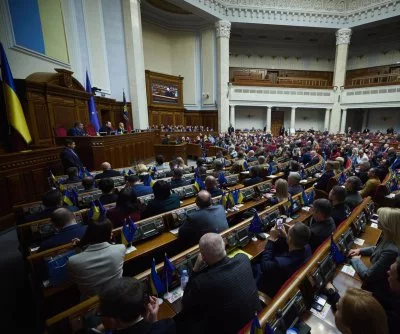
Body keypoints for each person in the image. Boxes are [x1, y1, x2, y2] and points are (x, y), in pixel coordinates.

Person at [177, 233, 261, 333]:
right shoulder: (243, 259)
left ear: (203, 257)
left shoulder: (201, 282)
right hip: (257, 322)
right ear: (224, 245)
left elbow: (185, 303)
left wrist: (195, 270)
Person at [68, 219, 126, 297]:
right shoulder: (121, 248)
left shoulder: (72, 261)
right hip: (117, 294)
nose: (112, 233)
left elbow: (82, 261)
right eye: (110, 231)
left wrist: (79, 246)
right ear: (107, 234)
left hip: (90, 303)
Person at [98, 278, 175, 334]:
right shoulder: (168, 325)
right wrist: (154, 322)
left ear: (112, 320)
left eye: (100, 313)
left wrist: (98, 329)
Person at [254, 222, 311, 297]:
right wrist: (286, 236)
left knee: (253, 264)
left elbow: (264, 265)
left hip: (269, 286)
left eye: (288, 233)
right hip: (286, 275)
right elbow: (294, 245)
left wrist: (271, 239)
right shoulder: (307, 247)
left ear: (290, 239)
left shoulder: (281, 263)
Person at [349, 207, 399, 292]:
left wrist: (356, 260)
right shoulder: (390, 236)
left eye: (380, 218)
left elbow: (369, 276)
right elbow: (377, 249)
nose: (377, 219)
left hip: (378, 288)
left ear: (387, 224)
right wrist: (360, 250)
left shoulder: (392, 251)